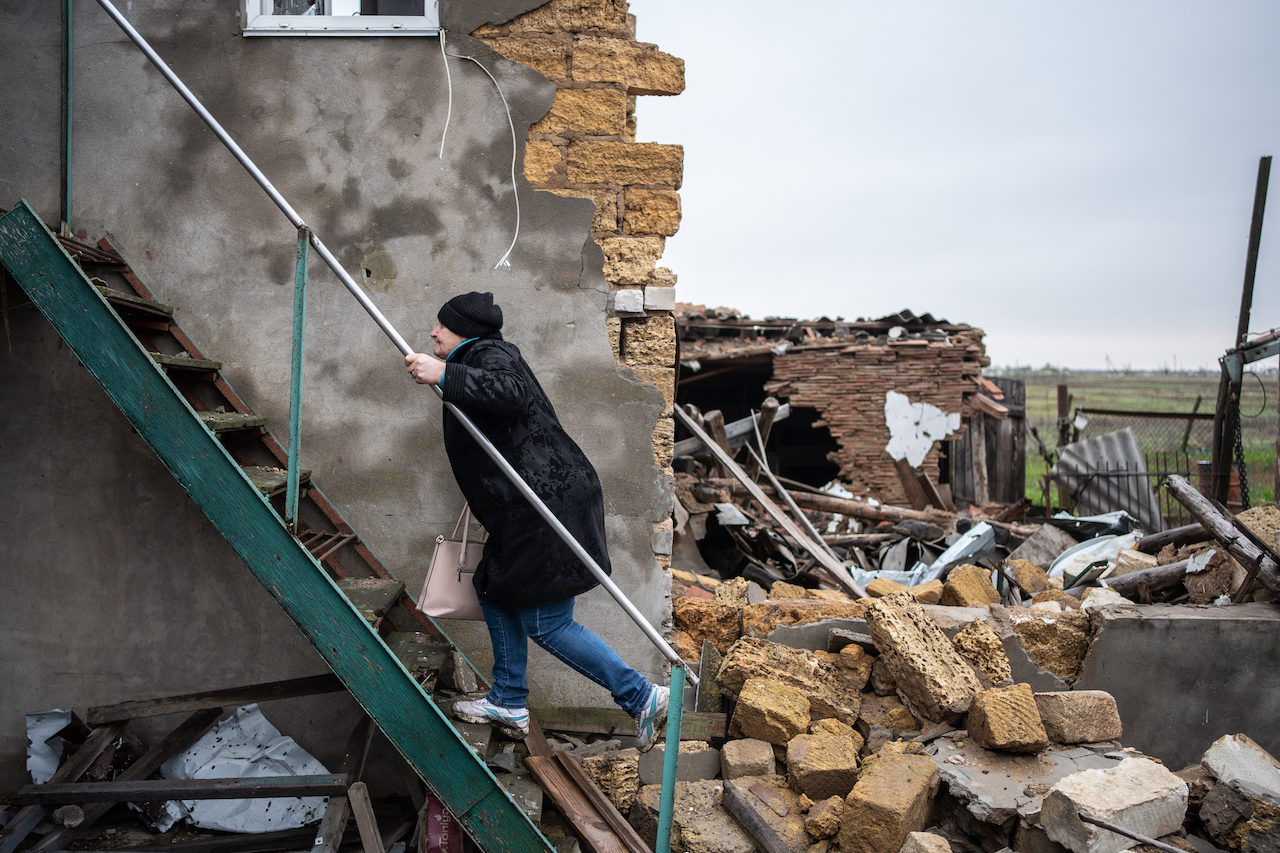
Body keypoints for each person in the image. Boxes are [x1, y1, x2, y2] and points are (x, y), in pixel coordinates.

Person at [405, 291, 669, 750]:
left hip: (546, 504)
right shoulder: (482, 355)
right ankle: (508, 699)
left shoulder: (489, 353)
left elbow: (511, 393)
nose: (433, 332)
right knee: (492, 587)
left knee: (547, 623)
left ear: (464, 333)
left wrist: (446, 373)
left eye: (441, 326)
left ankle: (642, 695)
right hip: (528, 504)